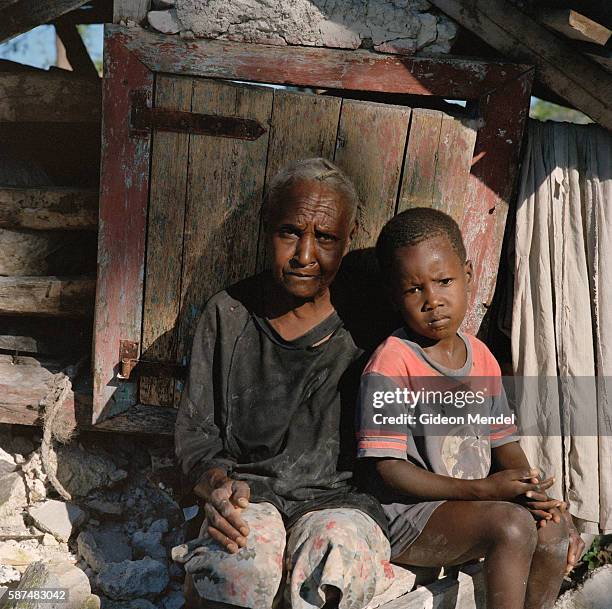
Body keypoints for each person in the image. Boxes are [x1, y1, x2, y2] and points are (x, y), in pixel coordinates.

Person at [173, 158, 402, 609]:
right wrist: (217, 487)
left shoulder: (372, 320)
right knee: (237, 565)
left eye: (326, 238)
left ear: (349, 239)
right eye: (290, 232)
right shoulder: (228, 314)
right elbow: (196, 439)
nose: (304, 255)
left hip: (342, 500)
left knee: (337, 560)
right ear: (266, 228)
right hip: (251, 493)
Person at [355, 208, 585, 609]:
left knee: (553, 527)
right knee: (511, 526)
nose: (433, 301)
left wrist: (532, 491)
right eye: (414, 290)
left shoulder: (480, 356)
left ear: (468, 273)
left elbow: (504, 443)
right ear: (395, 296)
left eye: (444, 281)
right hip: (412, 518)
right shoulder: (392, 363)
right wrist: (482, 490)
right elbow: (389, 467)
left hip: (473, 505)